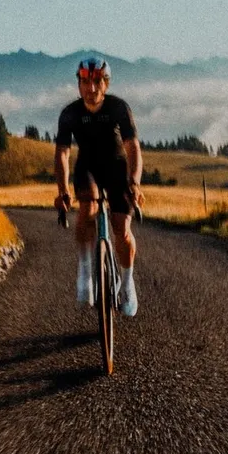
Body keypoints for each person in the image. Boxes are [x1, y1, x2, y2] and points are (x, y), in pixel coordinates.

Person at [53, 57, 143, 316]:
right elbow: (62, 153)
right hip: (88, 169)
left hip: (116, 168)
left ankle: (127, 284)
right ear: (78, 84)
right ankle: (85, 270)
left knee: (121, 229)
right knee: (87, 210)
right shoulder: (70, 113)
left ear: (106, 83)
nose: (90, 89)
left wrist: (134, 183)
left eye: (96, 82)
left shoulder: (118, 108)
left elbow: (132, 148)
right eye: (84, 82)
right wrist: (63, 191)